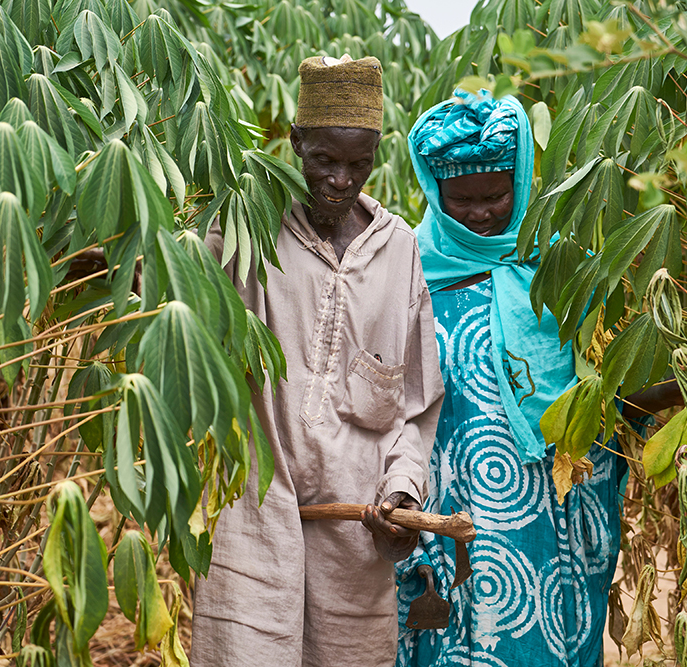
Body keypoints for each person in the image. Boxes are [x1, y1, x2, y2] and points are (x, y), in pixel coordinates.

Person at [394, 89, 674, 667]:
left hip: (550, 515)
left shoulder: (564, 270)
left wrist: (686, 384)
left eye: (495, 197)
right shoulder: (406, 273)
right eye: (461, 200)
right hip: (447, 519)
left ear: (520, 183)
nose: (479, 214)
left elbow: (606, 397)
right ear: (433, 190)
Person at [191, 55, 445, 667]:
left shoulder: (399, 252)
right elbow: (179, 305)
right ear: (295, 142)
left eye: (358, 164)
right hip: (249, 511)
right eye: (323, 160)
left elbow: (413, 407)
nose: (339, 180)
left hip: (353, 534)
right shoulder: (248, 229)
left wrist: (403, 496)